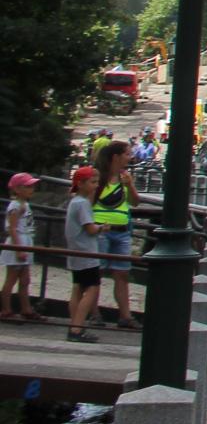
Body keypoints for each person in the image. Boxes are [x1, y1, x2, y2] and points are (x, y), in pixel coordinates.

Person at [90, 142, 140, 331]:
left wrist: (130, 185)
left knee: (122, 273)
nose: (130, 157)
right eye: (127, 154)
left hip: (122, 230)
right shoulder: (97, 177)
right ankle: (94, 313)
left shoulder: (124, 177)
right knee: (97, 272)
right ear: (115, 157)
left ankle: (125, 315)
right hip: (101, 231)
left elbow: (134, 202)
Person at [63, 166, 101, 344]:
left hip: (76, 251)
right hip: (86, 251)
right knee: (92, 288)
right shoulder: (82, 204)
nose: (96, 186)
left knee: (77, 287)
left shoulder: (75, 201)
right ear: (81, 183)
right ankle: (77, 328)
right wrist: (103, 227)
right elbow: (91, 228)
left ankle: (74, 324)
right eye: (92, 182)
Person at [2, 174, 35, 323]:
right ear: (17, 189)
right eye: (27, 186)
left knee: (25, 279)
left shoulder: (25, 204)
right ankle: (6, 309)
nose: (31, 189)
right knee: (12, 278)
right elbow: (13, 228)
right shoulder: (15, 206)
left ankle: (26, 308)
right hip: (19, 242)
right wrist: (18, 249)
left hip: (25, 241)